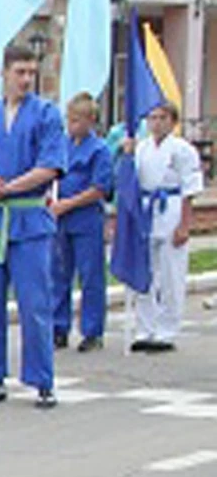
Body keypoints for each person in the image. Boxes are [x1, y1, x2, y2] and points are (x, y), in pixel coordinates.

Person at [0, 44, 66, 408]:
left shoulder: (47, 115)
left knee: (34, 302)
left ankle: (42, 380)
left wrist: (7, 185)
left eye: (31, 73)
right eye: (20, 72)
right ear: (5, 73)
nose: (26, 79)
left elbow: (50, 166)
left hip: (29, 220)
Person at [129, 100, 205, 352]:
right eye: (152, 118)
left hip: (170, 206)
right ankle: (145, 327)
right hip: (146, 208)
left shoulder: (182, 150)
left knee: (171, 273)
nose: (157, 123)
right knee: (145, 272)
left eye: (162, 118)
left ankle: (167, 330)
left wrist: (185, 224)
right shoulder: (142, 148)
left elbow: (189, 189)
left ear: (173, 122)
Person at [50, 94, 112, 352]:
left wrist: (69, 203)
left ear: (90, 120)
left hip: (86, 219)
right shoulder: (63, 145)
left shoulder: (99, 150)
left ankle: (92, 330)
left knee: (90, 276)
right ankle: (58, 327)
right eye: (69, 120)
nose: (71, 125)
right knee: (58, 274)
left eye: (77, 120)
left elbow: (100, 188)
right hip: (60, 218)